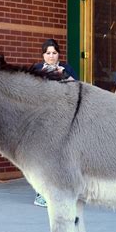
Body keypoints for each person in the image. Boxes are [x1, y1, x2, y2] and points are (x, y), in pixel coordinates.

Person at [32, 39, 77, 207]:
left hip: (61, 116)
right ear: (43, 54)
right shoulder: (37, 69)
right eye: (48, 53)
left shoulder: (66, 68)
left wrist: (63, 74)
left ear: (59, 54)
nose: (51, 56)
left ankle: (61, 191)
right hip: (42, 116)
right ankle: (41, 193)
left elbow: (76, 87)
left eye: (54, 53)